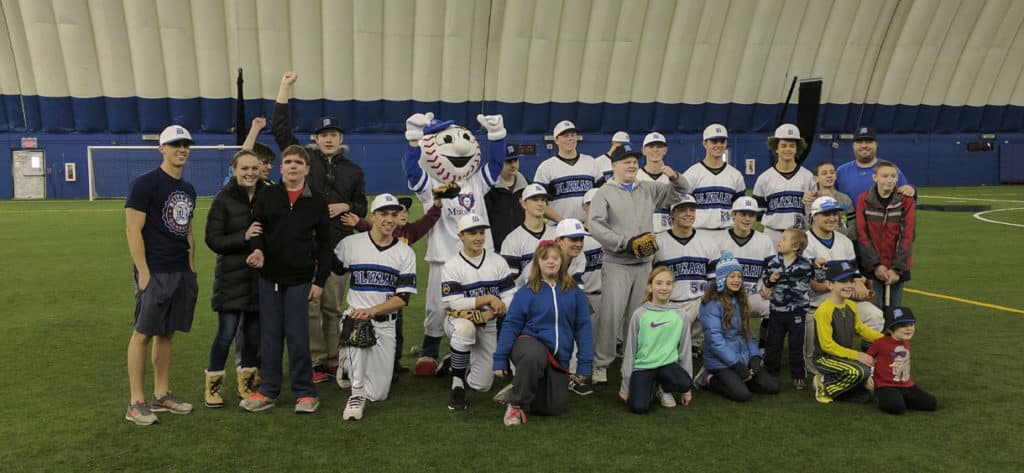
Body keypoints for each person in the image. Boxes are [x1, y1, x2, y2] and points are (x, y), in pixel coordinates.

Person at [272, 71, 368, 383]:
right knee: (311, 307)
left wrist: (347, 207)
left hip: (339, 245)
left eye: (334, 134)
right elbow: (281, 131)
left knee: (332, 307)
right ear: (315, 139)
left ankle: (333, 359)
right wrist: (284, 88)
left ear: (341, 138)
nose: (328, 138)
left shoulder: (353, 170)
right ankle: (315, 363)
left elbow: (362, 208)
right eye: (323, 135)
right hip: (306, 244)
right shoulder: (305, 161)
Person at [403, 113, 507, 376]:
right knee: (437, 307)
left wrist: (496, 135)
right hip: (444, 256)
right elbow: (412, 170)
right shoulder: (432, 186)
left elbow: (496, 164)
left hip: (479, 257)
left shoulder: (475, 182)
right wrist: (413, 139)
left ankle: (473, 351)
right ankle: (429, 351)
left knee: (479, 305)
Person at [239, 145, 331, 414]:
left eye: (298, 162)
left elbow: (326, 244)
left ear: (307, 169)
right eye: (288, 162)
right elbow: (256, 229)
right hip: (269, 279)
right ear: (281, 168)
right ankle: (268, 390)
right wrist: (257, 249)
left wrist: (320, 281)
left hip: (300, 280)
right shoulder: (267, 195)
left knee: (298, 336)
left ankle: (304, 392)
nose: (292, 166)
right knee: (270, 336)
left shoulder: (316, 202)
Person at [589, 146, 690, 384]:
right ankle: (601, 364)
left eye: (635, 161)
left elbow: (681, 192)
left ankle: (632, 357)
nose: (632, 165)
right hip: (617, 263)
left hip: (644, 264)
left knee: (639, 315)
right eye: (626, 161)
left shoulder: (647, 188)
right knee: (611, 316)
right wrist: (625, 243)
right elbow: (595, 225)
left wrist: (674, 176)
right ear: (614, 166)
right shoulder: (604, 192)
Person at [123, 125, 199, 425]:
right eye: (175, 145)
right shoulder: (146, 184)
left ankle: (162, 395)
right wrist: (143, 271)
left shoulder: (188, 189)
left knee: (167, 333)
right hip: (155, 271)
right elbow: (132, 229)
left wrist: (191, 268)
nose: (182, 149)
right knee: (142, 334)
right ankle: (136, 403)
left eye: (185, 145)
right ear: (162, 149)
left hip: (180, 271)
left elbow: (187, 231)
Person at [335, 194, 418, 421]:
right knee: (356, 323)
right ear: (372, 216)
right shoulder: (351, 244)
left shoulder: (404, 252)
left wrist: (371, 311)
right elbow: (332, 270)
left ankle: (347, 365)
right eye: (383, 214)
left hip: (386, 325)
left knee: (379, 394)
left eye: (394, 214)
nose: (389, 219)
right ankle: (355, 392)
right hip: (355, 318)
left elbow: (402, 299)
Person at [492, 243, 594, 426]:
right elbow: (510, 326)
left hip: (558, 357)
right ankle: (515, 405)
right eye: (545, 258)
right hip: (528, 345)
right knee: (533, 355)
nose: (551, 262)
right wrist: (500, 359)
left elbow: (583, 327)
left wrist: (584, 364)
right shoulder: (526, 292)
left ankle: (518, 386)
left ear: (562, 261)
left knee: (552, 409)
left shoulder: (575, 293)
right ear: (537, 262)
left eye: (555, 258)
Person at [341, 195, 443, 379]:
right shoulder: (380, 231)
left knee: (397, 329)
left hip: (394, 294)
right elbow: (371, 229)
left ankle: (392, 363)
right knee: (362, 329)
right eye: (398, 211)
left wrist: (437, 207)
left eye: (403, 211)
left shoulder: (410, 232)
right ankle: (349, 361)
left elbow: (427, 221)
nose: (401, 215)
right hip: (371, 295)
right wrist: (358, 223)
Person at [202, 150, 266, 408]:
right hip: (231, 279)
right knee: (225, 334)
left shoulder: (268, 195)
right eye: (244, 169)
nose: (250, 173)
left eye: (254, 168)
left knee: (252, 337)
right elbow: (213, 239)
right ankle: (213, 386)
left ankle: (246, 385)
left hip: (259, 279)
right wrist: (244, 237)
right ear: (234, 170)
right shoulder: (223, 199)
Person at [802, 196, 885, 376]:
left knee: (875, 316)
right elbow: (815, 285)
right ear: (814, 216)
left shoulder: (844, 241)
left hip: (843, 298)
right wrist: (847, 288)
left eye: (835, 214)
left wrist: (858, 283)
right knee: (814, 367)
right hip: (814, 304)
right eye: (826, 214)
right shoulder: (805, 242)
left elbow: (853, 274)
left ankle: (869, 359)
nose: (833, 218)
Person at [441, 214, 516, 411]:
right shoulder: (452, 265)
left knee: (481, 385)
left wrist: (491, 313)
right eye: (472, 233)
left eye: (481, 232)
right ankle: (457, 383)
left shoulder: (497, 261)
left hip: (489, 323)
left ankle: (456, 358)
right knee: (465, 330)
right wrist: (488, 299)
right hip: (458, 321)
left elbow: (511, 295)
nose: (478, 237)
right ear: (461, 235)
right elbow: (455, 304)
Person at [696, 252, 779, 402]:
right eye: (732, 276)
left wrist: (754, 356)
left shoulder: (740, 299)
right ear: (722, 278)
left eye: (739, 276)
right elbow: (715, 342)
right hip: (720, 361)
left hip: (742, 357)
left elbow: (748, 333)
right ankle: (708, 378)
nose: (737, 280)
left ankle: (740, 378)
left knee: (772, 387)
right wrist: (736, 365)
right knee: (742, 395)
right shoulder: (711, 303)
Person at [619, 266, 695, 414]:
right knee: (639, 408)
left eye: (668, 283)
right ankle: (649, 387)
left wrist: (687, 391)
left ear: (673, 286)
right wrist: (625, 386)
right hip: (643, 367)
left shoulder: (681, 315)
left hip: (667, 366)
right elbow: (630, 350)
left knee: (685, 383)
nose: (664, 288)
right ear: (650, 286)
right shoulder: (640, 314)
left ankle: (664, 389)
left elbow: (684, 351)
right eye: (659, 283)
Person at [810, 260, 884, 404]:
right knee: (860, 372)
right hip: (826, 359)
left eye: (851, 280)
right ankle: (824, 385)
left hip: (843, 357)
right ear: (829, 284)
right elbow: (827, 346)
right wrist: (857, 355)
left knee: (874, 369)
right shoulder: (823, 311)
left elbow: (860, 329)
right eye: (843, 281)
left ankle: (850, 388)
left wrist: (886, 339)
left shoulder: (851, 305)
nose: (849, 285)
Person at [653, 195, 719, 354]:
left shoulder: (708, 241)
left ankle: (696, 341)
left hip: (698, 302)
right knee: (666, 349)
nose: (689, 213)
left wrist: (708, 301)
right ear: (672, 214)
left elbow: (714, 279)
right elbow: (649, 280)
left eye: (692, 209)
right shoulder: (658, 242)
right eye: (682, 210)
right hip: (667, 302)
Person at [760, 228, 823, 390]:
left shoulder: (806, 264)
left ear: (795, 247)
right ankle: (770, 372)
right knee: (773, 344)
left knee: (796, 345)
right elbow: (766, 283)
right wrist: (770, 280)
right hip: (776, 312)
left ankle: (798, 375)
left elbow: (820, 279)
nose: (779, 241)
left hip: (797, 313)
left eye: (784, 239)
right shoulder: (773, 262)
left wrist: (821, 267)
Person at [856, 161, 916, 309]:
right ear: (875, 177)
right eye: (884, 176)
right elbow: (862, 234)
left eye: (893, 176)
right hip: (873, 267)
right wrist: (875, 265)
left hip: (897, 267)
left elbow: (907, 236)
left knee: (894, 309)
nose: (889, 180)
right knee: (874, 310)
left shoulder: (906, 201)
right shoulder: (863, 200)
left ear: (897, 179)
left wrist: (897, 269)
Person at [866, 306, 937, 415]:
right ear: (890, 329)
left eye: (911, 325)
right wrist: (868, 377)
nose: (909, 329)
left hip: (907, 385)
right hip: (885, 385)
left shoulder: (905, 341)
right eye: (903, 326)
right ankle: (884, 398)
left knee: (931, 404)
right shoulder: (880, 343)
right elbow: (868, 359)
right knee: (895, 408)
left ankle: (901, 398)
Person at [753, 124, 815, 244]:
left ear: (797, 148)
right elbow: (758, 212)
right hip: (772, 234)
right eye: (783, 146)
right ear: (776, 148)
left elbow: (814, 212)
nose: (788, 149)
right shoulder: (764, 178)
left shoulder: (808, 177)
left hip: (799, 233)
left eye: (792, 146)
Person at [715, 196, 774, 319]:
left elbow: (771, 270)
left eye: (751, 215)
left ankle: (765, 339)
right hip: (725, 296)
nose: (747, 219)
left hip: (753, 295)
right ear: (733, 215)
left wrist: (768, 286)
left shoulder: (764, 240)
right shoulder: (718, 239)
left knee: (772, 307)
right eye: (743, 214)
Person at [533, 120, 601, 225]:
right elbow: (537, 202)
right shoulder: (546, 167)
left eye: (573, 135)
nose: (570, 138)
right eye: (565, 135)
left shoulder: (591, 162)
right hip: (557, 227)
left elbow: (603, 195)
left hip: (588, 226)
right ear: (556, 140)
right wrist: (562, 222)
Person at [683, 124, 746, 230]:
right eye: (714, 141)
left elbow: (740, 209)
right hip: (699, 232)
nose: (718, 145)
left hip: (727, 232)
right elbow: (683, 209)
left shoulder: (735, 175)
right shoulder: (691, 174)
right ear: (704, 143)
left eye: (722, 141)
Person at [835, 126, 915, 206]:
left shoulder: (890, 169)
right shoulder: (841, 171)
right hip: (849, 218)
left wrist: (911, 189)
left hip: (881, 218)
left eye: (868, 141)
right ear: (853, 145)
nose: (864, 145)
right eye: (859, 142)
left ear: (876, 144)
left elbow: (907, 195)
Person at [500, 183, 555, 289]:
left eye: (543, 200)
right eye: (535, 199)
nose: (540, 203)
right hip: (526, 296)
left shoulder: (556, 234)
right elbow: (510, 283)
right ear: (523, 204)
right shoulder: (512, 240)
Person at [485, 144, 530, 250]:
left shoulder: (528, 186)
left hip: (523, 246)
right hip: (498, 248)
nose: (514, 165)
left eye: (516, 160)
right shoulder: (489, 189)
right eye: (509, 162)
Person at [636, 132, 674, 233]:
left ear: (665, 150)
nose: (655, 150)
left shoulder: (673, 177)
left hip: (667, 232)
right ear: (643, 150)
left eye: (659, 146)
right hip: (641, 234)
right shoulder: (635, 177)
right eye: (651, 146)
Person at [807, 162, 856, 240]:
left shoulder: (845, 199)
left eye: (832, 172)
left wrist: (843, 235)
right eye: (824, 173)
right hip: (817, 244)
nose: (829, 175)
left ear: (835, 176)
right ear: (816, 179)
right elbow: (809, 225)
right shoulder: (811, 199)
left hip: (842, 243)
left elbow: (852, 227)